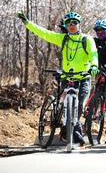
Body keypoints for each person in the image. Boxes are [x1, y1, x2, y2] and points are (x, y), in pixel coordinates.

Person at [17, 11, 98, 148]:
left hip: (83, 76)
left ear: (79, 24)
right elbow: (44, 33)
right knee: (64, 103)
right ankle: (68, 127)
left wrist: (94, 65)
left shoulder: (87, 39)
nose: (71, 25)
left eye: (74, 23)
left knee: (80, 105)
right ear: (65, 26)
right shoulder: (63, 38)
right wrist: (27, 23)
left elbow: (93, 53)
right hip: (67, 76)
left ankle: (71, 132)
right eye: (68, 23)